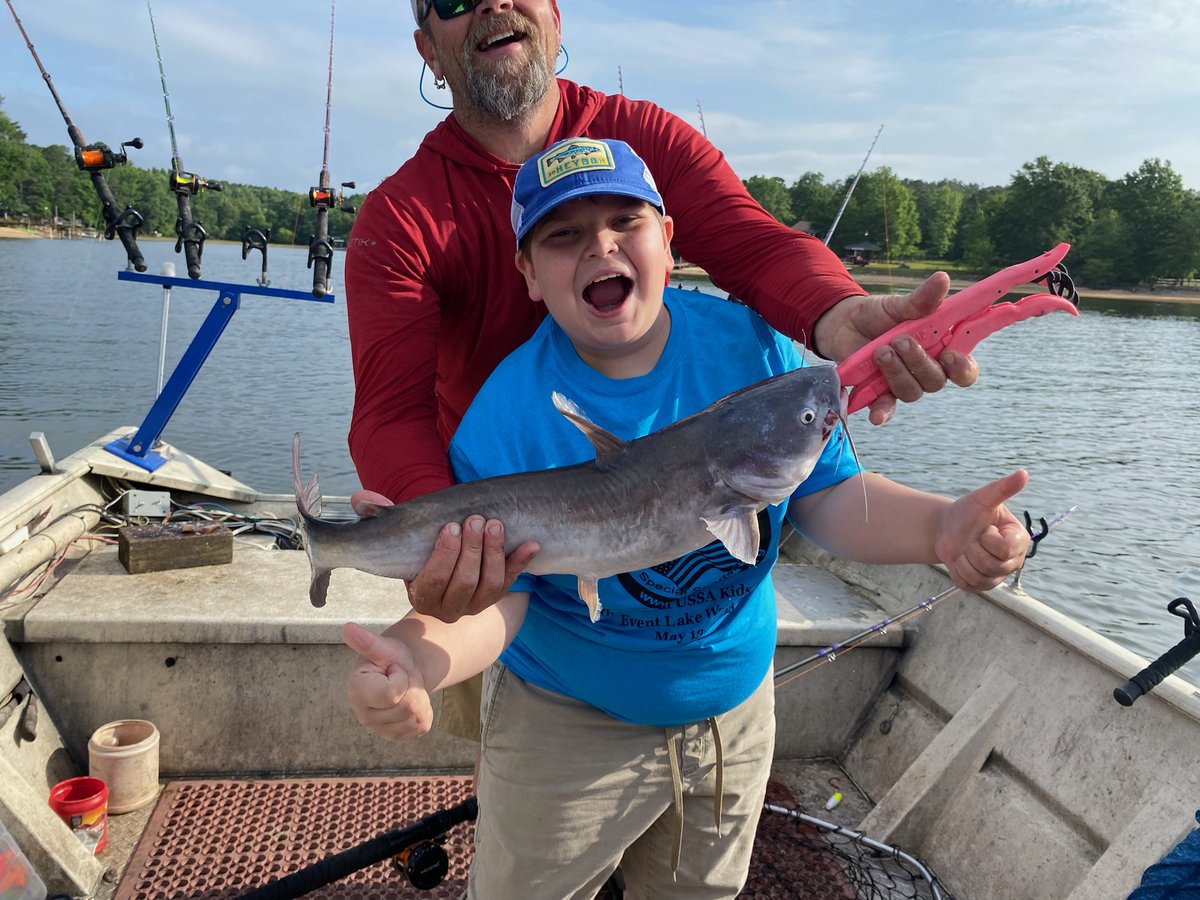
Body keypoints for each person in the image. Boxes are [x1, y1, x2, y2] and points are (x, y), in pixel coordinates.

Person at [344, 138, 1032, 899]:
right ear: (529, 275)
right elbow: (503, 595)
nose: (601, 244)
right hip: (567, 727)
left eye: (623, 221)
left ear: (668, 241)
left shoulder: (757, 353)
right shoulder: (504, 419)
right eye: (563, 235)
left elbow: (829, 499)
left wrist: (942, 530)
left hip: (732, 719)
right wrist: (418, 659)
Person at [344, 0, 979, 631]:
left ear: (557, 16)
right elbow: (390, 414)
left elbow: (755, 243)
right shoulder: (402, 219)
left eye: (625, 222)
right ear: (427, 47)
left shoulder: (642, 137)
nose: (492, 2)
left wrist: (838, 312)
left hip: (672, 497)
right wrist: (442, 544)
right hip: (500, 532)